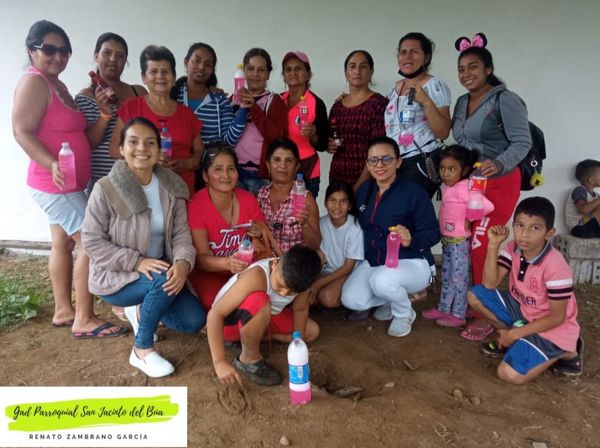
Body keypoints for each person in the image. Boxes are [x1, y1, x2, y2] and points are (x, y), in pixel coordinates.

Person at [12, 20, 127, 338]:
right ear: (31, 50)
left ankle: (64, 310)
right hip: (55, 184)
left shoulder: (57, 85)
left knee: (62, 243)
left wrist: (104, 115)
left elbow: (83, 138)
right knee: (91, 242)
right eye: (49, 49)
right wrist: (51, 163)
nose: (58, 56)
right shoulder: (33, 83)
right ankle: (84, 318)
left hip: (69, 182)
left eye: (64, 50)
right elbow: (21, 132)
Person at [82, 117, 206, 378]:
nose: (142, 148)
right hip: (118, 275)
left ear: (159, 150)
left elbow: (182, 235)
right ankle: (141, 349)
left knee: (193, 320)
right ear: (122, 148)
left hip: (160, 272)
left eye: (150, 143)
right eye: (133, 142)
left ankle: (140, 310)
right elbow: (92, 241)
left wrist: (182, 264)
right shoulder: (105, 189)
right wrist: (136, 262)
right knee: (161, 280)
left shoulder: (171, 186)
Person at [452, 33, 531, 341]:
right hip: (471, 183)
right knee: (466, 240)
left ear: (488, 69)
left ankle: (488, 313)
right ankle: (472, 301)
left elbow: (522, 142)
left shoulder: (505, 100)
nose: (466, 74)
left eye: (473, 67)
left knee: (483, 244)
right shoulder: (462, 102)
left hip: (499, 181)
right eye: (461, 69)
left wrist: (498, 164)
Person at [467, 197, 583, 384]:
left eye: (535, 228)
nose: (524, 234)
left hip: (552, 327)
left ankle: (566, 351)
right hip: (524, 311)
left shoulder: (555, 266)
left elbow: (557, 318)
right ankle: (514, 339)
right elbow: (489, 284)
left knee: (508, 374)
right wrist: (493, 245)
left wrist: (513, 334)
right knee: (476, 295)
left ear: (549, 233)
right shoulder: (513, 247)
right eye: (520, 225)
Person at [341, 137, 440, 336]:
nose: (379, 165)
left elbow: (433, 233)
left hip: (413, 261)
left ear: (398, 161)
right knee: (351, 299)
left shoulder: (414, 193)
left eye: (386, 159)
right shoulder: (366, 190)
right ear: (368, 164)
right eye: (373, 160)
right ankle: (394, 297)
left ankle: (404, 313)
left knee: (382, 281)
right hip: (376, 260)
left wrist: (411, 239)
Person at [207, 245, 321, 386]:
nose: (284, 293)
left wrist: (297, 343)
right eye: (281, 285)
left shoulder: (302, 282)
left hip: (263, 315)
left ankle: (252, 337)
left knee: (311, 331)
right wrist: (219, 362)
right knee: (260, 301)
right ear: (275, 264)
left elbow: (300, 309)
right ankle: (249, 359)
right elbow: (216, 314)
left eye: (292, 292)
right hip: (227, 324)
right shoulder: (257, 275)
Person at [109, 45, 204, 194]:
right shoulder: (131, 107)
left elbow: (200, 152)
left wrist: (187, 163)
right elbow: (114, 148)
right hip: (140, 192)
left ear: (174, 77)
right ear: (144, 77)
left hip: (180, 193)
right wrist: (147, 156)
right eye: (153, 72)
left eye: (165, 72)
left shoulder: (187, 114)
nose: (160, 76)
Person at [421, 145, 493, 327]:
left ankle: (459, 314)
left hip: (460, 243)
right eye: (442, 168)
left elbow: (487, 206)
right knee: (446, 275)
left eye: (452, 169)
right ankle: (444, 308)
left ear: (465, 170)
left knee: (459, 279)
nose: (445, 173)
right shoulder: (445, 186)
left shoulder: (467, 188)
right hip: (447, 241)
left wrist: (470, 217)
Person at [187, 145, 265, 309]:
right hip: (211, 275)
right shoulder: (196, 206)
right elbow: (201, 259)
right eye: (218, 169)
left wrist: (258, 234)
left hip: (246, 272)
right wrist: (228, 263)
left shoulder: (248, 199)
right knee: (221, 306)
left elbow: (262, 246)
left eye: (231, 169)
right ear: (205, 175)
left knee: (258, 301)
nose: (226, 175)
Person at [172, 43, 249, 190]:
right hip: (177, 168)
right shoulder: (173, 95)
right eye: (196, 61)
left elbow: (229, 141)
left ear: (212, 70)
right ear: (186, 62)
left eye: (208, 64)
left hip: (211, 171)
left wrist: (243, 110)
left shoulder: (219, 99)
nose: (201, 67)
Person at [75, 32, 146, 190]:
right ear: (96, 56)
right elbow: (88, 143)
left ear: (125, 61)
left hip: (137, 179)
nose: (113, 59)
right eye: (107, 53)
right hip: (102, 182)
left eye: (120, 56)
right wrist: (104, 115)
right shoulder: (86, 96)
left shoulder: (139, 93)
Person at [384, 32, 451, 197]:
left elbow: (443, 132)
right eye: (403, 52)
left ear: (426, 58)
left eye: (414, 51)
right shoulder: (395, 88)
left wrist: (426, 102)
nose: (407, 56)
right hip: (394, 163)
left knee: (408, 208)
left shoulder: (433, 85)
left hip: (419, 160)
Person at [328, 50, 388, 189]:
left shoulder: (379, 104)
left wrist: (360, 185)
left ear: (371, 72)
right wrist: (328, 144)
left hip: (369, 178)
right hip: (338, 178)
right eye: (352, 66)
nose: (357, 71)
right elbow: (330, 135)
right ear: (345, 73)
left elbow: (378, 149)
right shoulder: (337, 106)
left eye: (363, 66)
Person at [234, 48, 287, 194]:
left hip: (260, 176)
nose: (255, 74)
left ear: (268, 74)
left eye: (261, 70)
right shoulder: (233, 100)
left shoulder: (274, 101)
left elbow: (278, 139)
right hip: (234, 174)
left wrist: (254, 108)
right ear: (244, 71)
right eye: (250, 69)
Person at [257, 138, 321, 253]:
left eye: (289, 161)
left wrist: (305, 225)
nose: (283, 166)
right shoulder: (260, 196)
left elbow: (315, 245)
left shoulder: (306, 199)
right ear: (268, 165)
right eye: (277, 160)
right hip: (266, 260)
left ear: (296, 167)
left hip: (295, 262)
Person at [280, 51, 329, 198]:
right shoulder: (278, 100)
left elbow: (323, 144)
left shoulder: (316, 103)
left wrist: (313, 134)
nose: (293, 73)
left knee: (302, 211)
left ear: (308, 74)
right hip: (281, 169)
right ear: (283, 76)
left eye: (298, 68)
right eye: (288, 69)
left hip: (306, 172)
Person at [309, 181, 363, 309]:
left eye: (343, 201)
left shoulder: (355, 228)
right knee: (305, 292)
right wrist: (313, 279)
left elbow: (348, 267)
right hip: (329, 271)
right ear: (325, 203)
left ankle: (354, 296)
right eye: (332, 200)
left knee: (327, 298)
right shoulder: (321, 223)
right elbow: (321, 255)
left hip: (349, 273)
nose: (337, 206)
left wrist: (318, 284)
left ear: (350, 206)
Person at [565, 159, 600, 239]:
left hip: (591, 226)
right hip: (578, 228)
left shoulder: (596, 195)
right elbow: (583, 209)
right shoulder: (580, 190)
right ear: (591, 180)